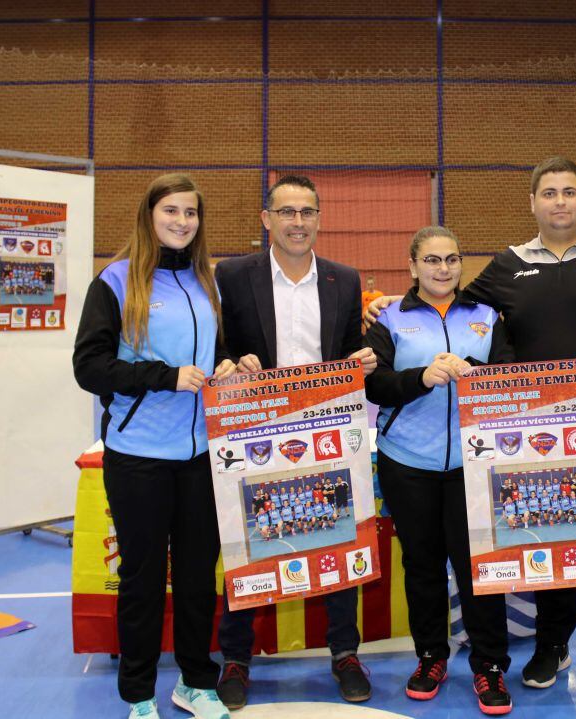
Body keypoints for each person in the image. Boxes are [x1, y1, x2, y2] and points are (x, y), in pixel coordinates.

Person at [365, 156, 576, 697]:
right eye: (548, 193)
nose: (559, 202)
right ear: (532, 203)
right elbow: (450, 303)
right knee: (551, 535)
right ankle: (554, 642)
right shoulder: (507, 266)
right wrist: (388, 302)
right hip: (539, 437)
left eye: (569, 192)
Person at [73, 173, 235, 719]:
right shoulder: (115, 282)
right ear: (149, 215)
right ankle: (139, 694)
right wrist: (163, 377)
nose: (182, 222)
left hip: (201, 456)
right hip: (139, 455)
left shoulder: (207, 282)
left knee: (196, 576)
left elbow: (221, 353)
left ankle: (195, 681)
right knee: (142, 579)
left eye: (190, 213)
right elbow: (89, 367)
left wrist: (232, 365)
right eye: (171, 211)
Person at [213, 174, 376, 709]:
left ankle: (344, 653)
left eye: (307, 212)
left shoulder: (344, 280)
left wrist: (362, 363)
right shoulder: (233, 277)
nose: (297, 222)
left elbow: (352, 351)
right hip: (255, 434)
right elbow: (220, 348)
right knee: (249, 543)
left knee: (334, 539)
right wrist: (233, 365)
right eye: (286, 212)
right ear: (267, 220)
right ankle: (236, 657)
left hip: (326, 433)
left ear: (319, 219)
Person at [365, 225, 516, 714]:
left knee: (481, 570)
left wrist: (477, 372)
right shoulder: (388, 318)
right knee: (423, 566)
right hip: (408, 462)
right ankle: (430, 657)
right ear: (412, 266)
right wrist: (421, 378)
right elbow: (376, 387)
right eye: (432, 260)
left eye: (451, 259)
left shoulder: (488, 317)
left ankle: (490, 666)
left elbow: (512, 377)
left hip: (475, 464)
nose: (443, 268)